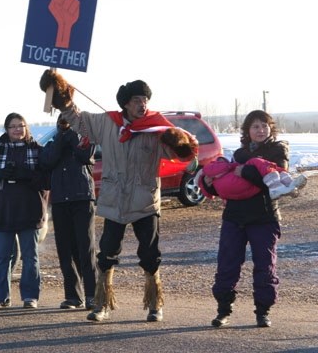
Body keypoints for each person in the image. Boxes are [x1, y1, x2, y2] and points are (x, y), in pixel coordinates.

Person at [39, 70, 198, 322]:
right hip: (114, 201)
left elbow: (182, 155)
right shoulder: (108, 123)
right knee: (106, 255)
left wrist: (184, 149)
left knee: (149, 255)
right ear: (125, 103)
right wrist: (62, 98)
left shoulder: (157, 128)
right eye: (136, 100)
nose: (142, 104)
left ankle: (154, 303)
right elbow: (79, 120)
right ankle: (101, 304)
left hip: (145, 201)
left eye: (144, 100)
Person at [199, 110, 294, 328]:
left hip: (264, 216)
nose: (260, 130)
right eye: (255, 127)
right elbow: (227, 179)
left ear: (271, 128)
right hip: (234, 216)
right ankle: (223, 309)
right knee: (227, 264)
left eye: (264, 125)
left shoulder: (278, 151)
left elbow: (278, 183)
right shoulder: (239, 153)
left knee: (265, 266)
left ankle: (262, 311)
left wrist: (245, 172)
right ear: (247, 131)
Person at [0, 112, 50, 309]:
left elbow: (46, 181)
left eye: (21, 125)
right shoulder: (0, 152)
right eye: (13, 126)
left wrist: (28, 176)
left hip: (30, 211)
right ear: (7, 130)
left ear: (26, 127)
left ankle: (30, 297)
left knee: (30, 257)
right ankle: (0, 297)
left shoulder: (38, 150)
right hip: (5, 212)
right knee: (2, 257)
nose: (17, 129)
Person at [39, 114, 97, 310]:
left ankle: (92, 295)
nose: (64, 125)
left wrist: (72, 136)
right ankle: (73, 296)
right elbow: (47, 161)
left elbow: (85, 156)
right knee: (65, 250)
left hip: (82, 197)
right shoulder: (53, 142)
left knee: (85, 247)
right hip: (61, 200)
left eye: (68, 122)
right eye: (61, 122)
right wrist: (61, 139)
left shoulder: (84, 138)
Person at [196, 156, 307, 201]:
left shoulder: (221, 189)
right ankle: (277, 186)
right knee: (257, 161)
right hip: (234, 184)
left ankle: (289, 186)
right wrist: (233, 165)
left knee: (266, 171)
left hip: (238, 190)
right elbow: (225, 166)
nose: (209, 180)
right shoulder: (208, 169)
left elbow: (252, 189)